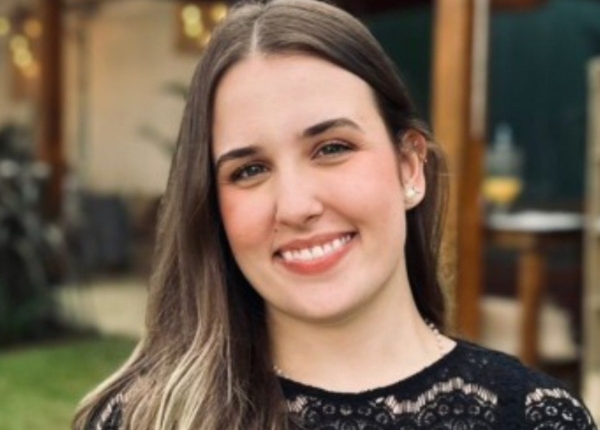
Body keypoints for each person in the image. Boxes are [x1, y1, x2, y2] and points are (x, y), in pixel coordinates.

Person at [73, 1, 598, 429]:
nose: (296, 206)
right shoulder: (141, 420)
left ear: (409, 167)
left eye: (331, 148)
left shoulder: (537, 419)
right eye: (250, 170)